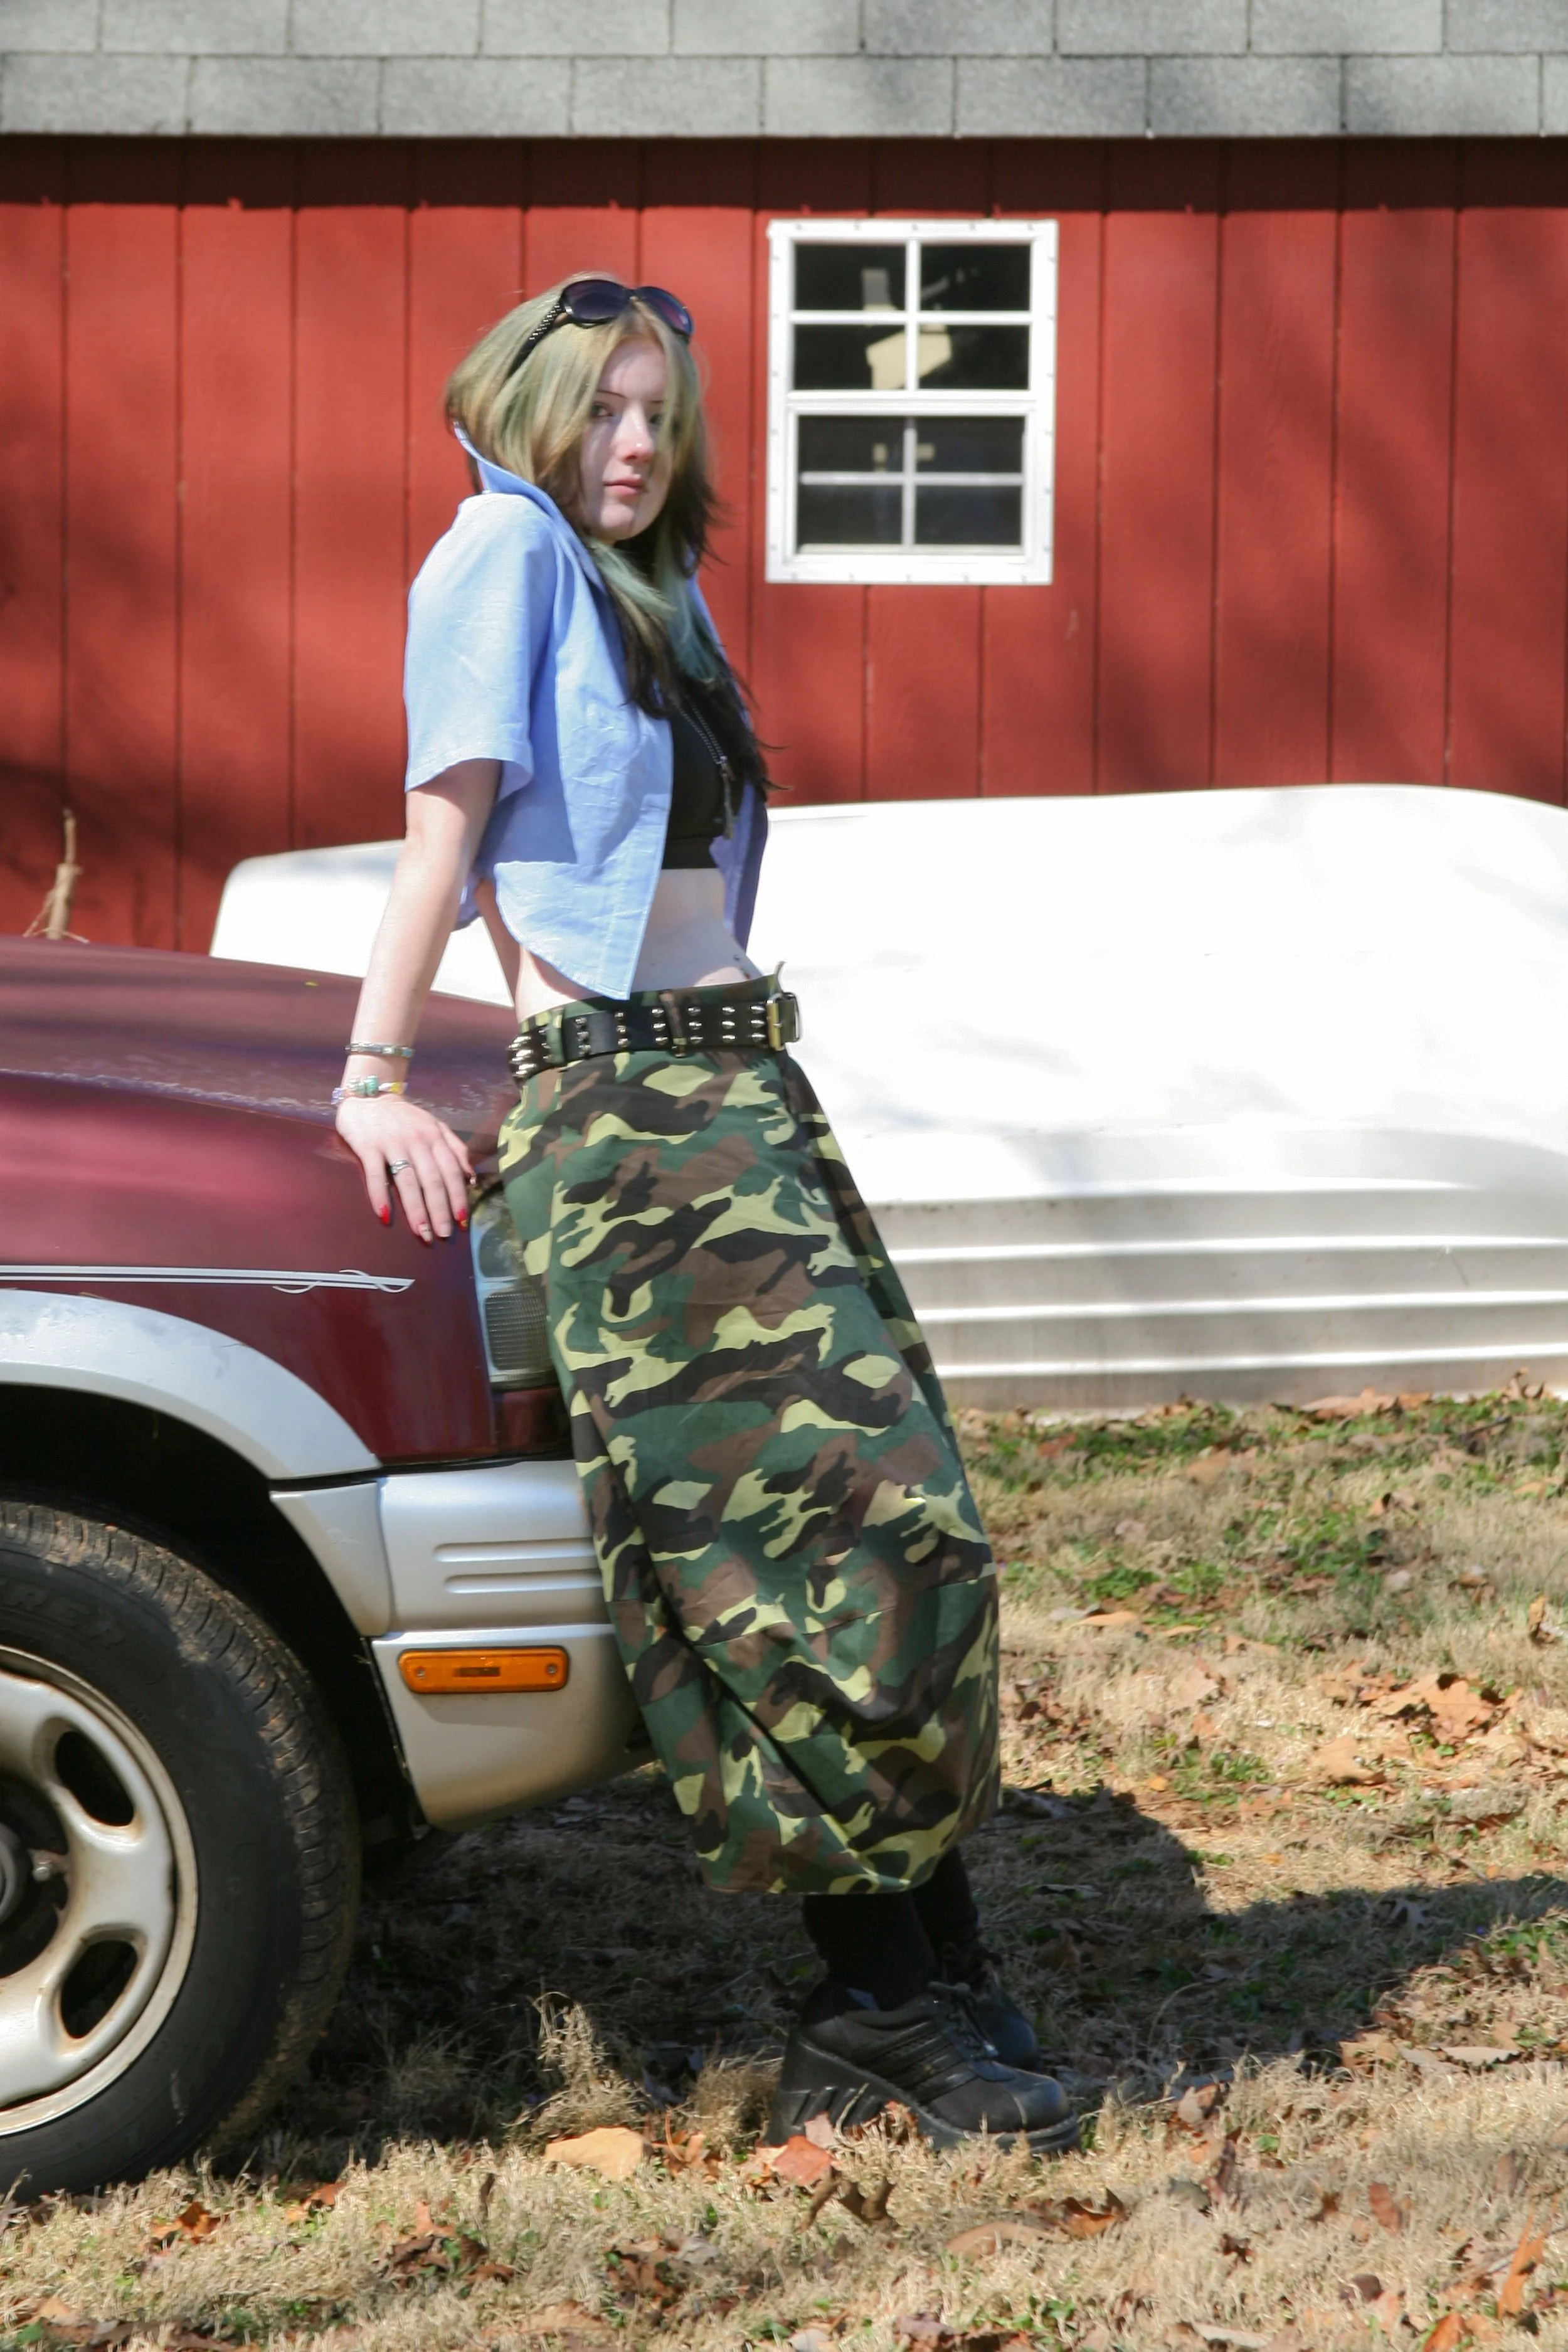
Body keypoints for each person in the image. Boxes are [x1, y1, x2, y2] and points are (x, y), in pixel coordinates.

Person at [333, 275, 1076, 2154]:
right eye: (601, 410)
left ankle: (930, 1953)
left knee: (906, 1516)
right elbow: (442, 833)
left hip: (740, 1092)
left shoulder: (654, 588)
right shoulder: (495, 561)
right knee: (783, 1556)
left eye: (658, 410)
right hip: (625, 1122)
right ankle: (882, 2000)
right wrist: (374, 1077)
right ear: (527, 408)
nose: (637, 443)